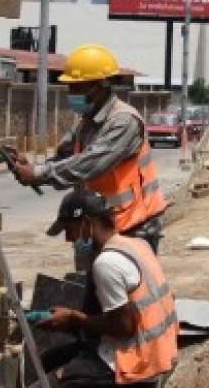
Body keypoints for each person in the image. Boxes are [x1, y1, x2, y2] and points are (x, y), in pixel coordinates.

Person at [26, 189, 178, 388]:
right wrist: (74, 322)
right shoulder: (135, 244)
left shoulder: (107, 264)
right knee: (47, 362)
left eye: (70, 230)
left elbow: (124, 326)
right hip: (156, 351)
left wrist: (74, 319)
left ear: (87, 223)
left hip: (135, 360)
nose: (68, 239)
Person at [10, 43, 167, 258]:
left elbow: (89, 164)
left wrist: (38, 174)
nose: (71, 93)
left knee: (126, 287)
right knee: (92, 288)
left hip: (133, 226)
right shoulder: (86, 121)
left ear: (99, 86)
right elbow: (65, 156)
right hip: (101, 224)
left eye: (77, 87)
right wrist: (31, 167)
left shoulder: (123, 121)